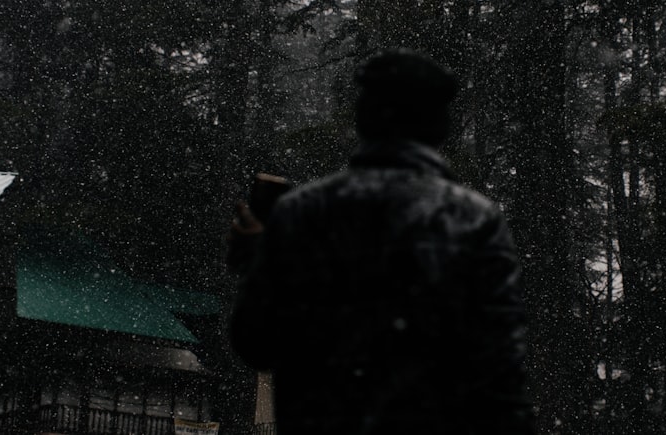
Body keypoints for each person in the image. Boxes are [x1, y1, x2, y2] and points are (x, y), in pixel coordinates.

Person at [227, 49, 534, 435]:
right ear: (440, 126)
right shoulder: (472, 220)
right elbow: (501, 370)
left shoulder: (302, 212)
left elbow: (256, 343)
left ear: (363, 118)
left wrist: (256, 264)